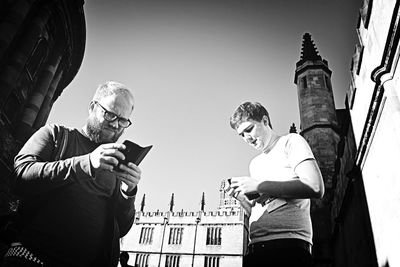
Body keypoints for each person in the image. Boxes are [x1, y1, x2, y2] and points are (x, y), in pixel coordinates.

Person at [1, 81, 142, 267]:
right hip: (32, 258)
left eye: (123, 120)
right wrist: (87, 163)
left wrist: (127, 192)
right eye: (110, 114)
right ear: (92, 107)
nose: (116, 124)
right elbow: (20, 176)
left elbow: (121, 229)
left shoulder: (115, 165)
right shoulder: (55, 135)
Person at [226, 101, 324, 267]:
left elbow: (315, 187)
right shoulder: (254, 164)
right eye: (241, 135)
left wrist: (259, 186)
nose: (247, 138)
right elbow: (260, 208)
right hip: (255, 249)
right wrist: (243, 200)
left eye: (249, 129)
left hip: (289, 247)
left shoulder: (291, 142)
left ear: (265, 121)